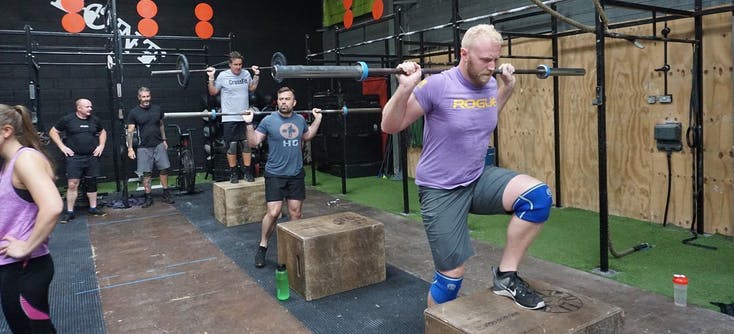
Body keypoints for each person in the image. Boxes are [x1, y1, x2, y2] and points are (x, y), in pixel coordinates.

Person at [380, 24, 551, 310]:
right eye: (485, 60)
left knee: (538, 198)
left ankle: (506, 277)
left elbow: (482, 117)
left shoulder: (488, 84)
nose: (491, 66)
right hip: (440, 189)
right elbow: (390, 124)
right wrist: (405, 89)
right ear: (464, 54)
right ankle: (434, 326)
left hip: (476, 178)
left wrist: (506, 89)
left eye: (495, 59)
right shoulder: (439, 85)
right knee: (451, 279)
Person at [242, 87, 322, 268]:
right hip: (275, 174)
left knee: (296, 213)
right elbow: (254, 142)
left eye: (287, 99)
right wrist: (248, 124)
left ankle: (292, 250)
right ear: (277, 102)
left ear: (294, 102)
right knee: (274, 212)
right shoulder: (269, 121)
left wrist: (317, 120)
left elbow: (307, 135)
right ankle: (263, 245)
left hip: (295, 174)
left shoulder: (300, 120)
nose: (283, 102)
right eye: (280, 99)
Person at [0, 104, 63, 333]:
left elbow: (53, 206)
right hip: (12, 267)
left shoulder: (25, 159)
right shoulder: (8, 164)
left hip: (24, 266)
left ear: (6, 131)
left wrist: (26, 246)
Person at [49, 98, 107, 223]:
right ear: (79, 108)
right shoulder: (68, 119)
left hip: (92, 156)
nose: (90, 109)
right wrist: (62, 146)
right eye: (87, 107)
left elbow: (102, 132)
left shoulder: (95, 120)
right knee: (72, 184)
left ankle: (93, 208)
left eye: (91, 106)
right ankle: (70, 212)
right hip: (75, 157)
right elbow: (53, 131)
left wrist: (101, 145)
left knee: (92, 182)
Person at [207, 51, 260, 183]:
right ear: (230, 64)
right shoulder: (223, 76)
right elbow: (213, 91)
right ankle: (233, 173)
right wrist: (211, 77)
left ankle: (248, 172)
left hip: (245, 117)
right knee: (232, 146)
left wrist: (256, 75)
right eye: (235, 64)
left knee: (247, 145)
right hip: (229, 118)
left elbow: (252, 88)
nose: (238, 67)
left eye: (240, 64)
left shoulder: (246, 74)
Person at [126, 87, 175, 208]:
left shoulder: (157, 109)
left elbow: (161, 125)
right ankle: (148, 197)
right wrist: (130, 148)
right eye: (143, 97)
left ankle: (165, 193)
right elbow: (130, 131)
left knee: (164, 169)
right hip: (144, 147)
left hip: (158, 144)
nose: (146, 99)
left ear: (150, 96)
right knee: (146, 173)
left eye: (147, 96)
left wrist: (164, 140)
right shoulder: (134, 112)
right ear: (139, 98)